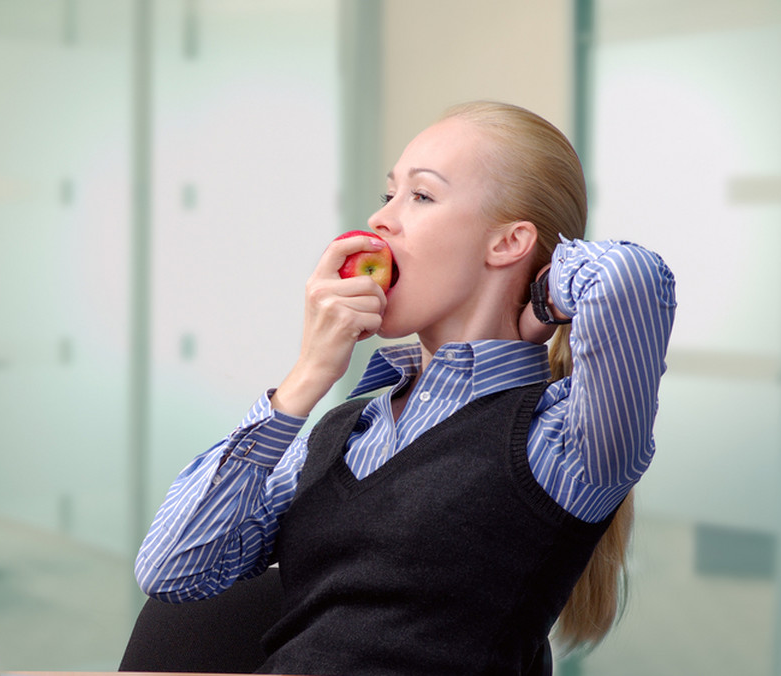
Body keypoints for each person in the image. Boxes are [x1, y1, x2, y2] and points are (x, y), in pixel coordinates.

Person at [134, 101, 677, 675]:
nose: (380, 221)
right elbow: (174, 567)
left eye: (420, 196)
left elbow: (630, 280)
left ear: (508, 242)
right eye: (388, 193)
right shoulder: (349, 431)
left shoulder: (563, 436)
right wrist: (308, 377)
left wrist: (541, 299)